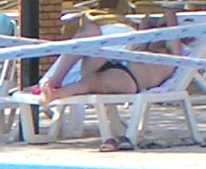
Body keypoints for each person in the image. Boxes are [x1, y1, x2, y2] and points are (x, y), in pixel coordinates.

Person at [39, 16, 180, 150]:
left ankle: (54, 93)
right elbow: (147, 21)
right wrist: (155, 21)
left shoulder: (173, 56)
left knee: (90, 83)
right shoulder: (144, 44)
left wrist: (167, 17)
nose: (159, 33)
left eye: (163, 29)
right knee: (90, 30)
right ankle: (55, 80)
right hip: (116, 63)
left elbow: (171, 20)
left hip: (129, 79)